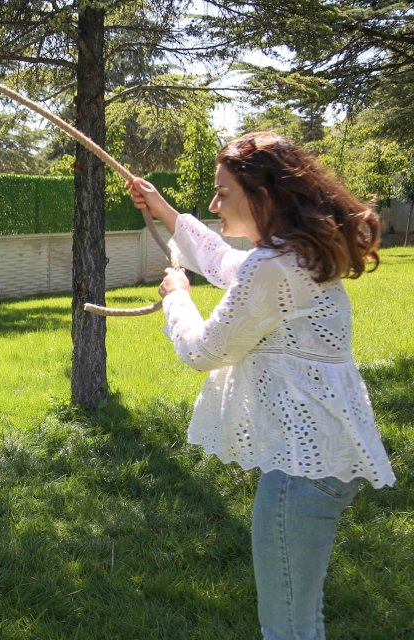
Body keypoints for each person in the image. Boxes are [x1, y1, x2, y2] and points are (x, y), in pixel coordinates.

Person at [128, 131, 395, 639]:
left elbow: (205, 351)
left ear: (263, 195)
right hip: (322, 461)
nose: (214, 205)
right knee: (300, 618)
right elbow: (223, 263)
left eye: (223, 192)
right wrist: (162, 209)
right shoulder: (295, 255)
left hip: (301, 472)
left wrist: (177, 296)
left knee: (287, 627)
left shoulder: (275, 265)